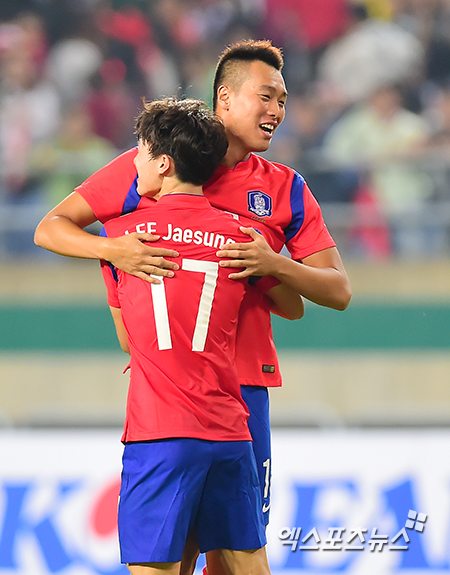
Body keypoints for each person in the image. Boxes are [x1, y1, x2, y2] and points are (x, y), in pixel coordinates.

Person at [34, 39, 351, 537]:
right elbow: (51, 227)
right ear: (224, 97)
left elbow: (336, 291)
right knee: (175, 554)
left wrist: (274, 264)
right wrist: (112, 251)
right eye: (265, 97)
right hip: (170, 387)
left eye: (283, 101)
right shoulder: (156, 160)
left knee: (235, 552)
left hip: (245, 387)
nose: (277, 111)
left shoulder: (285, 187)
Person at [100, 96, 303, 575]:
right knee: (248, 566)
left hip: (160, 433)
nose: (135, 163)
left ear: (164, 164)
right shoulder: (240, 236)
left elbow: (129, 342)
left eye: (142, 153)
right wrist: (265, 265)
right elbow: (292, 306)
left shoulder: (121, 239)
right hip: (230, 430)